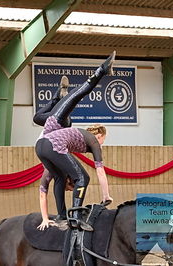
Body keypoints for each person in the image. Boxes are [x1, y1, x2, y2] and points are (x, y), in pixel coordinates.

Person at [35, 51, 115, 231]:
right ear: (99, 136)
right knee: (83, 177)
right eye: (103, 140)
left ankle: (63, 217)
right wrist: (106, 195)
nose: (102, 143)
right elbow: (100, 172)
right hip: (52, 136)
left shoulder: (61, 134)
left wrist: (46, 218)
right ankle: (102, 70)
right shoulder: (92, 140)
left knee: (59, 177)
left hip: (42, 146)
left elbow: (44, 190)